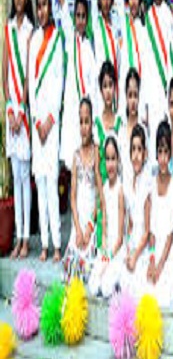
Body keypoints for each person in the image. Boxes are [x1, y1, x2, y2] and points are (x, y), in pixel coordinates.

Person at [28, 0, 64, 262]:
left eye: (45, 5)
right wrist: (36, 120)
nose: (41, 10)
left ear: (51, 8)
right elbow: (31, 85)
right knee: (39, 181)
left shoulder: (56, 39)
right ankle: (43, 243)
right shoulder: (33, 41)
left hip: (51, 124)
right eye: (38, 5)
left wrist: (49, 121)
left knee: (52, 181)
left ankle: (56, 244)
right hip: (36, 121)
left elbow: (58, 81)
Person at [54, 0, 98, 171]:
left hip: (85, 114)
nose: (80, 20)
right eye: (77, 16)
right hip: (72, 111)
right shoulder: (70, 38)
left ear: (87, 18)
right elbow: (62, 3)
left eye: (83, 16)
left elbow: (92, 84)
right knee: (73, 167)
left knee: (87, 166)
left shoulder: (89, 48)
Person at [3, 0, 34, 259]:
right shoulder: (9, 28)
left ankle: (25, 238)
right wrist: (10, 110)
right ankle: (17, 237)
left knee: (25, 175)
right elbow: (5, 75)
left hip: (23, 112)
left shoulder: (30, 31)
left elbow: (27, 77)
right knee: (15, 175)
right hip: (12, 110)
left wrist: (21, 110)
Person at [63, 98, 106, 283]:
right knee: (72, 267)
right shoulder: (76, 156)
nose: (83, 127)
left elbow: (100, 194)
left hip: (91, 219)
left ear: (92, 123)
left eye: (87, 122)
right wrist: (78, 229)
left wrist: (89, 227)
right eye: (81, 122)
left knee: (88, 266)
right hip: (79, 221)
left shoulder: (97, 152)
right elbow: (72, 198)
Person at [144, 0, 173, 158]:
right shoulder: (146, 17)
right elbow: (146, 62)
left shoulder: (170, 14)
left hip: (167, 90)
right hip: (151, 92)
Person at [146, 121, 173, 307]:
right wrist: (152, 259)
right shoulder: (152, 183)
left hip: (168, 253)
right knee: (146, 287)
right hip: (153, 250)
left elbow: (171, 234)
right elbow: (151, 229)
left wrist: (160, 265)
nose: (163, 158)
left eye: (166, 152)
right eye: (160, 152)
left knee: (162, 295)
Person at [88, 135, 125, 298]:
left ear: (118, 161)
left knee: (105, 288)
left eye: (113, 159)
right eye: (107, 159)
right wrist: (103, 251)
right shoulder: (104, 188)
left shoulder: (120, 190)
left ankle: (119, 281)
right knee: (93, 286)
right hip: (107, 248)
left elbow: (121, 237)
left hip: (117, 250)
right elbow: (104, 225)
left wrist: (109, 257)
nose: (110, 164)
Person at [122, 124, 153, 297]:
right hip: (133, 242)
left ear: (145, 153)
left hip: (143, 246)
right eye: (133, 149)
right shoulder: (130, 182)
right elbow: (130, 223)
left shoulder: (147, 184)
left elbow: (147, 231)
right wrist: (128, 249)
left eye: (139, 149)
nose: (136, 155)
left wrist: (135, 255)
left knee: (137, 287)